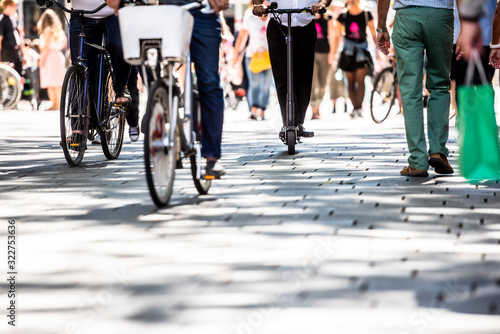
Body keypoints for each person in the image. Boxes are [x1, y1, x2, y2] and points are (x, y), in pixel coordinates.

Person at [107, 0, 229, 178]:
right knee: (154, 70)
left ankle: (212, 158)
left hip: (202, 11)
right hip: (161, 12)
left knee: (209, 82)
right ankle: (166, 115)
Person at [376, 0, 454, 177]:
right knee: (440, 86)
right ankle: (438, 151)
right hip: (441, 15)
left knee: (410, 92)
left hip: (407, 17)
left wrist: (381, 27)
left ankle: (418, 160)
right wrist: (465, 27)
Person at [253, 0, 332, 139]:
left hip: (305, 25)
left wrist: (322, 4)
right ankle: (288, 123)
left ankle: (299, 122)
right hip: (278, 25)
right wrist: (257, 5)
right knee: (281, 76)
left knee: (304, 76)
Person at [70, 0, 140, 143]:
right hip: (80, 14)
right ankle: (77, 130)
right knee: (79, 69)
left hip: (112, 14)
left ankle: (120, 90)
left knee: (118, 46)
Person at [332, 0, 376, 119]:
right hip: (347, 52)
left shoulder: (367, 14)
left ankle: (358, 108)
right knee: (350, 82)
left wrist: (379, 52)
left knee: (360, 80)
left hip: (362, 51)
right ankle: (355, 108)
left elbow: (373, 32)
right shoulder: (343, 15)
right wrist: (334, 53)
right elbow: (336, 36)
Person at [233, 1, 272, 121]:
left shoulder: (273, 15)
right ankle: (253, 110)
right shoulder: (249, 16)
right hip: (253, 54)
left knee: (266, 85)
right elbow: (243, 35)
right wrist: (236, 54)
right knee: (254, 84)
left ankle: (262, 110)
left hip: (269, 56)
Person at [36, 9, 67, 111]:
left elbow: (45, 47)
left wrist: (42, 60)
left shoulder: (47, 30)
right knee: (57, 82)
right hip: (57, 55)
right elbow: (64, 43)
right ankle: (57, 104)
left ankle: (54, 105)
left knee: (50, 82)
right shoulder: (58, 30)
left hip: (49, 56)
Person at [309, 9, 334, 119]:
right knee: (312, 83)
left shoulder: (328, 19)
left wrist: (333, 53)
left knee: (323, 83)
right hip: (311, 54)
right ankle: (313, 109)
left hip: (325, 53)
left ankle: (318, 106)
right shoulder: (308, 19)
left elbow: (333, 36)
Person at [0, 0, 23, 75]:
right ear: (8, 6)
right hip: (7, 52)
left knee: (18, 74)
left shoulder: (12, 19)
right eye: (14, 6)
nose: (16, 8)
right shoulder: (2, 20)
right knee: (9, 75)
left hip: (16, 51)